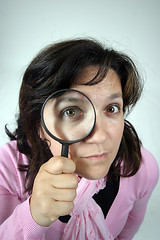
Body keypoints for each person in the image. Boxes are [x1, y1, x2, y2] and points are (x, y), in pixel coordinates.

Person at [0, 38, 159, 240]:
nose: (100, 136)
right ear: (38, 124)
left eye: (111, 109)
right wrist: (33, 216)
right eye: (71, 111)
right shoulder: (6, 167)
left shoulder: (142, 170)